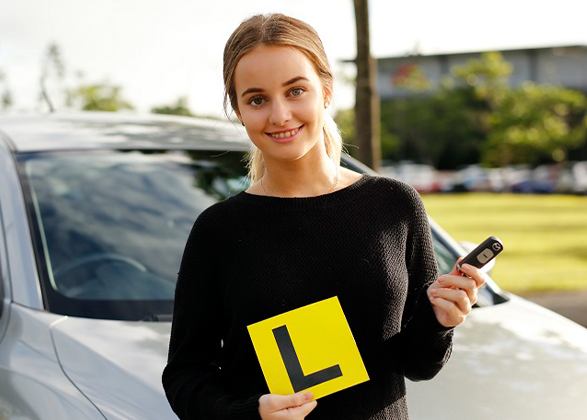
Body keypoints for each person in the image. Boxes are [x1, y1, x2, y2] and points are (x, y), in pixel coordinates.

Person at [162, 13, 487, 420]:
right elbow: (185, 375)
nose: (279, 115)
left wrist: (440, 321)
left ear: (327, 90)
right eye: (257, 99)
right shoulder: (219, 231)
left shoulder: (394, 206)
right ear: (239, 110)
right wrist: (249, 414)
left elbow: (417, 364)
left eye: (295, 90)